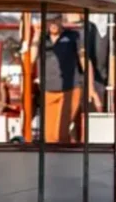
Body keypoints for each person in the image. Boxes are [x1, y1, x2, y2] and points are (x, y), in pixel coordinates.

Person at [30, 13, 95, 143]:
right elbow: (31, 59)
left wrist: (91, 88)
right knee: (49, 136)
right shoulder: (41, 39)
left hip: (70, 89)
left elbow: (84, 61)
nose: (53, 24)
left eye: (56, 20)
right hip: (48, 90)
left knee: (61, 131)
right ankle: (60, 154)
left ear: (61, 20)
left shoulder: (73, 36)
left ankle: (65, 152)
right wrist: (36, 34)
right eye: (50, 20)